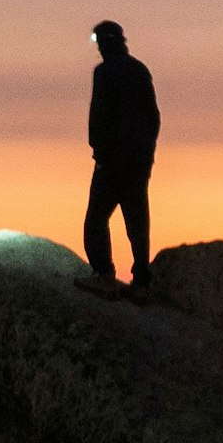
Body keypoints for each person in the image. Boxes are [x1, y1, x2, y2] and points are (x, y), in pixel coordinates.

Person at [83, 19, 159, 291]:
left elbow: (100, 115)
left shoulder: (104, 72)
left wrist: (100, 152)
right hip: (137, 161)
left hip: (113, 161)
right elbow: (153, 117)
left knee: (96, 220)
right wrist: (146, 155)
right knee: (136, 219)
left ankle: (104, 275)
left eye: (98, 41)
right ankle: (141, 280)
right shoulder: (139, 70)